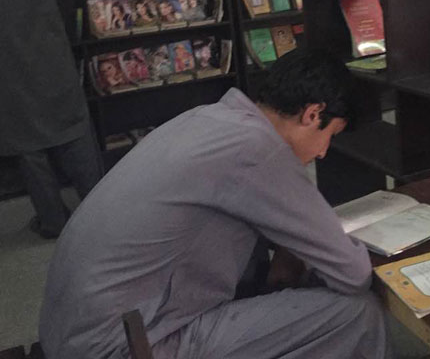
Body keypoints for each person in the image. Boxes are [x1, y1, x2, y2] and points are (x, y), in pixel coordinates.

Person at [40, 49, 391, 359]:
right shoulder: (259, 150)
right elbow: (352, 274)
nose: (323, 152)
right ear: (313, 114)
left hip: (71, 332)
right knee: (358, 313)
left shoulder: (209, 117)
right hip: (124, 346)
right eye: (330, 136)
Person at [0, 0, 102, 239]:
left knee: (27, 142)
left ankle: (53, 219)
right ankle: (97, 207)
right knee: (71, 125)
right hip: (41, 42)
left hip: (3, 58)